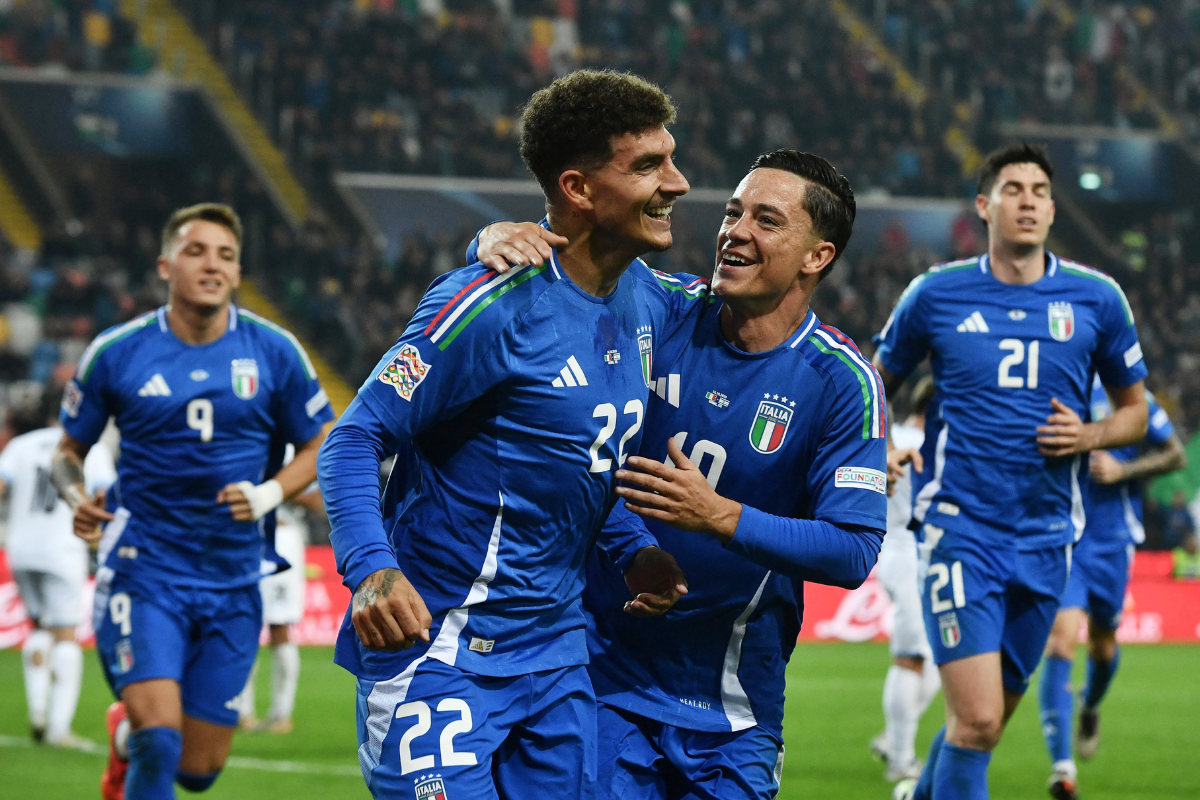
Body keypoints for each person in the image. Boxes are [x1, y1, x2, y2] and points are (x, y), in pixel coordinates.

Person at [317, 69, 698, 800]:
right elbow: (355, 437)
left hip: (557, 659)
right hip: (440, 649)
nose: (676, 183)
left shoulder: (649, 299)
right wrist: (371, 566)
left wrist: (631, 548)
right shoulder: (492, 303)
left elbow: (570, 462)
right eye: (648, 166)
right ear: (579, 188)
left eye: (670, 159)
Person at [472, 149, 888, 800]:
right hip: (600, 677)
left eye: (767, 220)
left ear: (817, 256)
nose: (736, 230)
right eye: (733, 212)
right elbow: (559, 265)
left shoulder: (841, 383)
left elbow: (855, 549)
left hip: (734, 705)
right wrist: (491, 236)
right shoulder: (661, 310)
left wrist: (720, 515)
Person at [873, 142, 1150, 800]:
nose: (1027, 200)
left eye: (1039, 191)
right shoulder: (935, 294)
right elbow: (873, 385)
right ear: (984, 206)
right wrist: (875, 444)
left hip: (1049, 536)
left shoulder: (1098, 299)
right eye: (1012, 189)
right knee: (976, 720)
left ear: (1052, 210)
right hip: (961, 530)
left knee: (983, 725)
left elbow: (1135, 414)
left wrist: (1090, 433)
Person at [50, 203, 335, 800]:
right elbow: (66, 452)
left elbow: (321, 443)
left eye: (226, 255)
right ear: (165, 265)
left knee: (198, 771)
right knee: (162, 740)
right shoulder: (118, 351)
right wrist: (76, 494)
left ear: (237, 273)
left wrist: (268, 492)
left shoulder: (274, 351)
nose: (212, 264)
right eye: (196, 251)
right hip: (143, 570)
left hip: (233, 579)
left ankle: (123, 738)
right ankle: (141, 736)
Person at [1038, 376, 1185, 799]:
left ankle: (1090, 706)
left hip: (1112, 543)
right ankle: (1062, 767)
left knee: (1103, 646)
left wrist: (1124, 469)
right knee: (1060, 643)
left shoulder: (1128, 398)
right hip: (1066, 536)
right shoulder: (1055, 389)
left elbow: (1175, 455)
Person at [3, 395, 115, 748]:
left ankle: (37, 709)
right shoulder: (90, 451)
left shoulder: (21, 445)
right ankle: (58, 727)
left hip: (20, 548)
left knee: (38, 626)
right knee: (65, 635)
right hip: (63, 548)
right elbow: (105, 495)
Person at [870, 376, 942, 783]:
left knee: (931, 656)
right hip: (912, 553)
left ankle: (895, 738)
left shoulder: (889, 439)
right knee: (911, 658)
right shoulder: (926, 445)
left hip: (895, 550)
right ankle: (900, 758)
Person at [237, 457, 323, 735]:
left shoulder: (295, 449)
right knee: (242, 624)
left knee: (279, 626)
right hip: (245, 538)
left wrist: (277, 489)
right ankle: (241, 711)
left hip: (282, 538)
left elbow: (319, 500)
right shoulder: (250, 440)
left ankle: (281, 713)